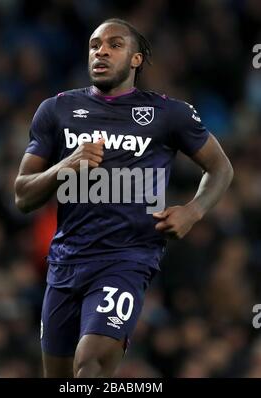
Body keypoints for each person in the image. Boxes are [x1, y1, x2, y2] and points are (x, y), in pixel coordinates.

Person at [14, 18, 233, 378]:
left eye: (115, 44)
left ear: (136, 59)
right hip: (66, 261)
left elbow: (220, 168)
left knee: (91, 364)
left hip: (127, 258)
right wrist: (65, 165)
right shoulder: (56, 111)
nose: (101, 51)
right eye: (94, 44)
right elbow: (22, 195)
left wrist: (194, 211)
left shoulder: (168, 113)